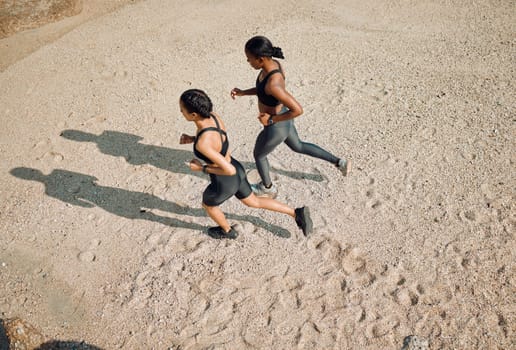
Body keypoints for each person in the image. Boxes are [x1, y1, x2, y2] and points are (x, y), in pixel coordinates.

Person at [179, 89, 313, 238]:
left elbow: (227, 170)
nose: (181, 113)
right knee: (253, 201)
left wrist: (202, 168)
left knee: (208, 205)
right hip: (238, 168)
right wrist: (193, 139)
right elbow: (217, 141)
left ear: (193, 115)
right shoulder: (214, 118)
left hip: (225, 181)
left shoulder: (203, 143)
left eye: (182, 110)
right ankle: (295, 213)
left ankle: (227, 231)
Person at [231, 36, 350, 198]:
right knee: (298, 146)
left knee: (259, 155)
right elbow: (262, 89)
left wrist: (271, 120)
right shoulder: (272, 66)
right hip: (283, 121)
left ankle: (267, 188)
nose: (248, 62)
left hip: (276, 126)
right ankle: (339, 162)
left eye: (249, 59)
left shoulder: (273, 83)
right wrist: (243, 92)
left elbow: (298, 109)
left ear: (260, 59)